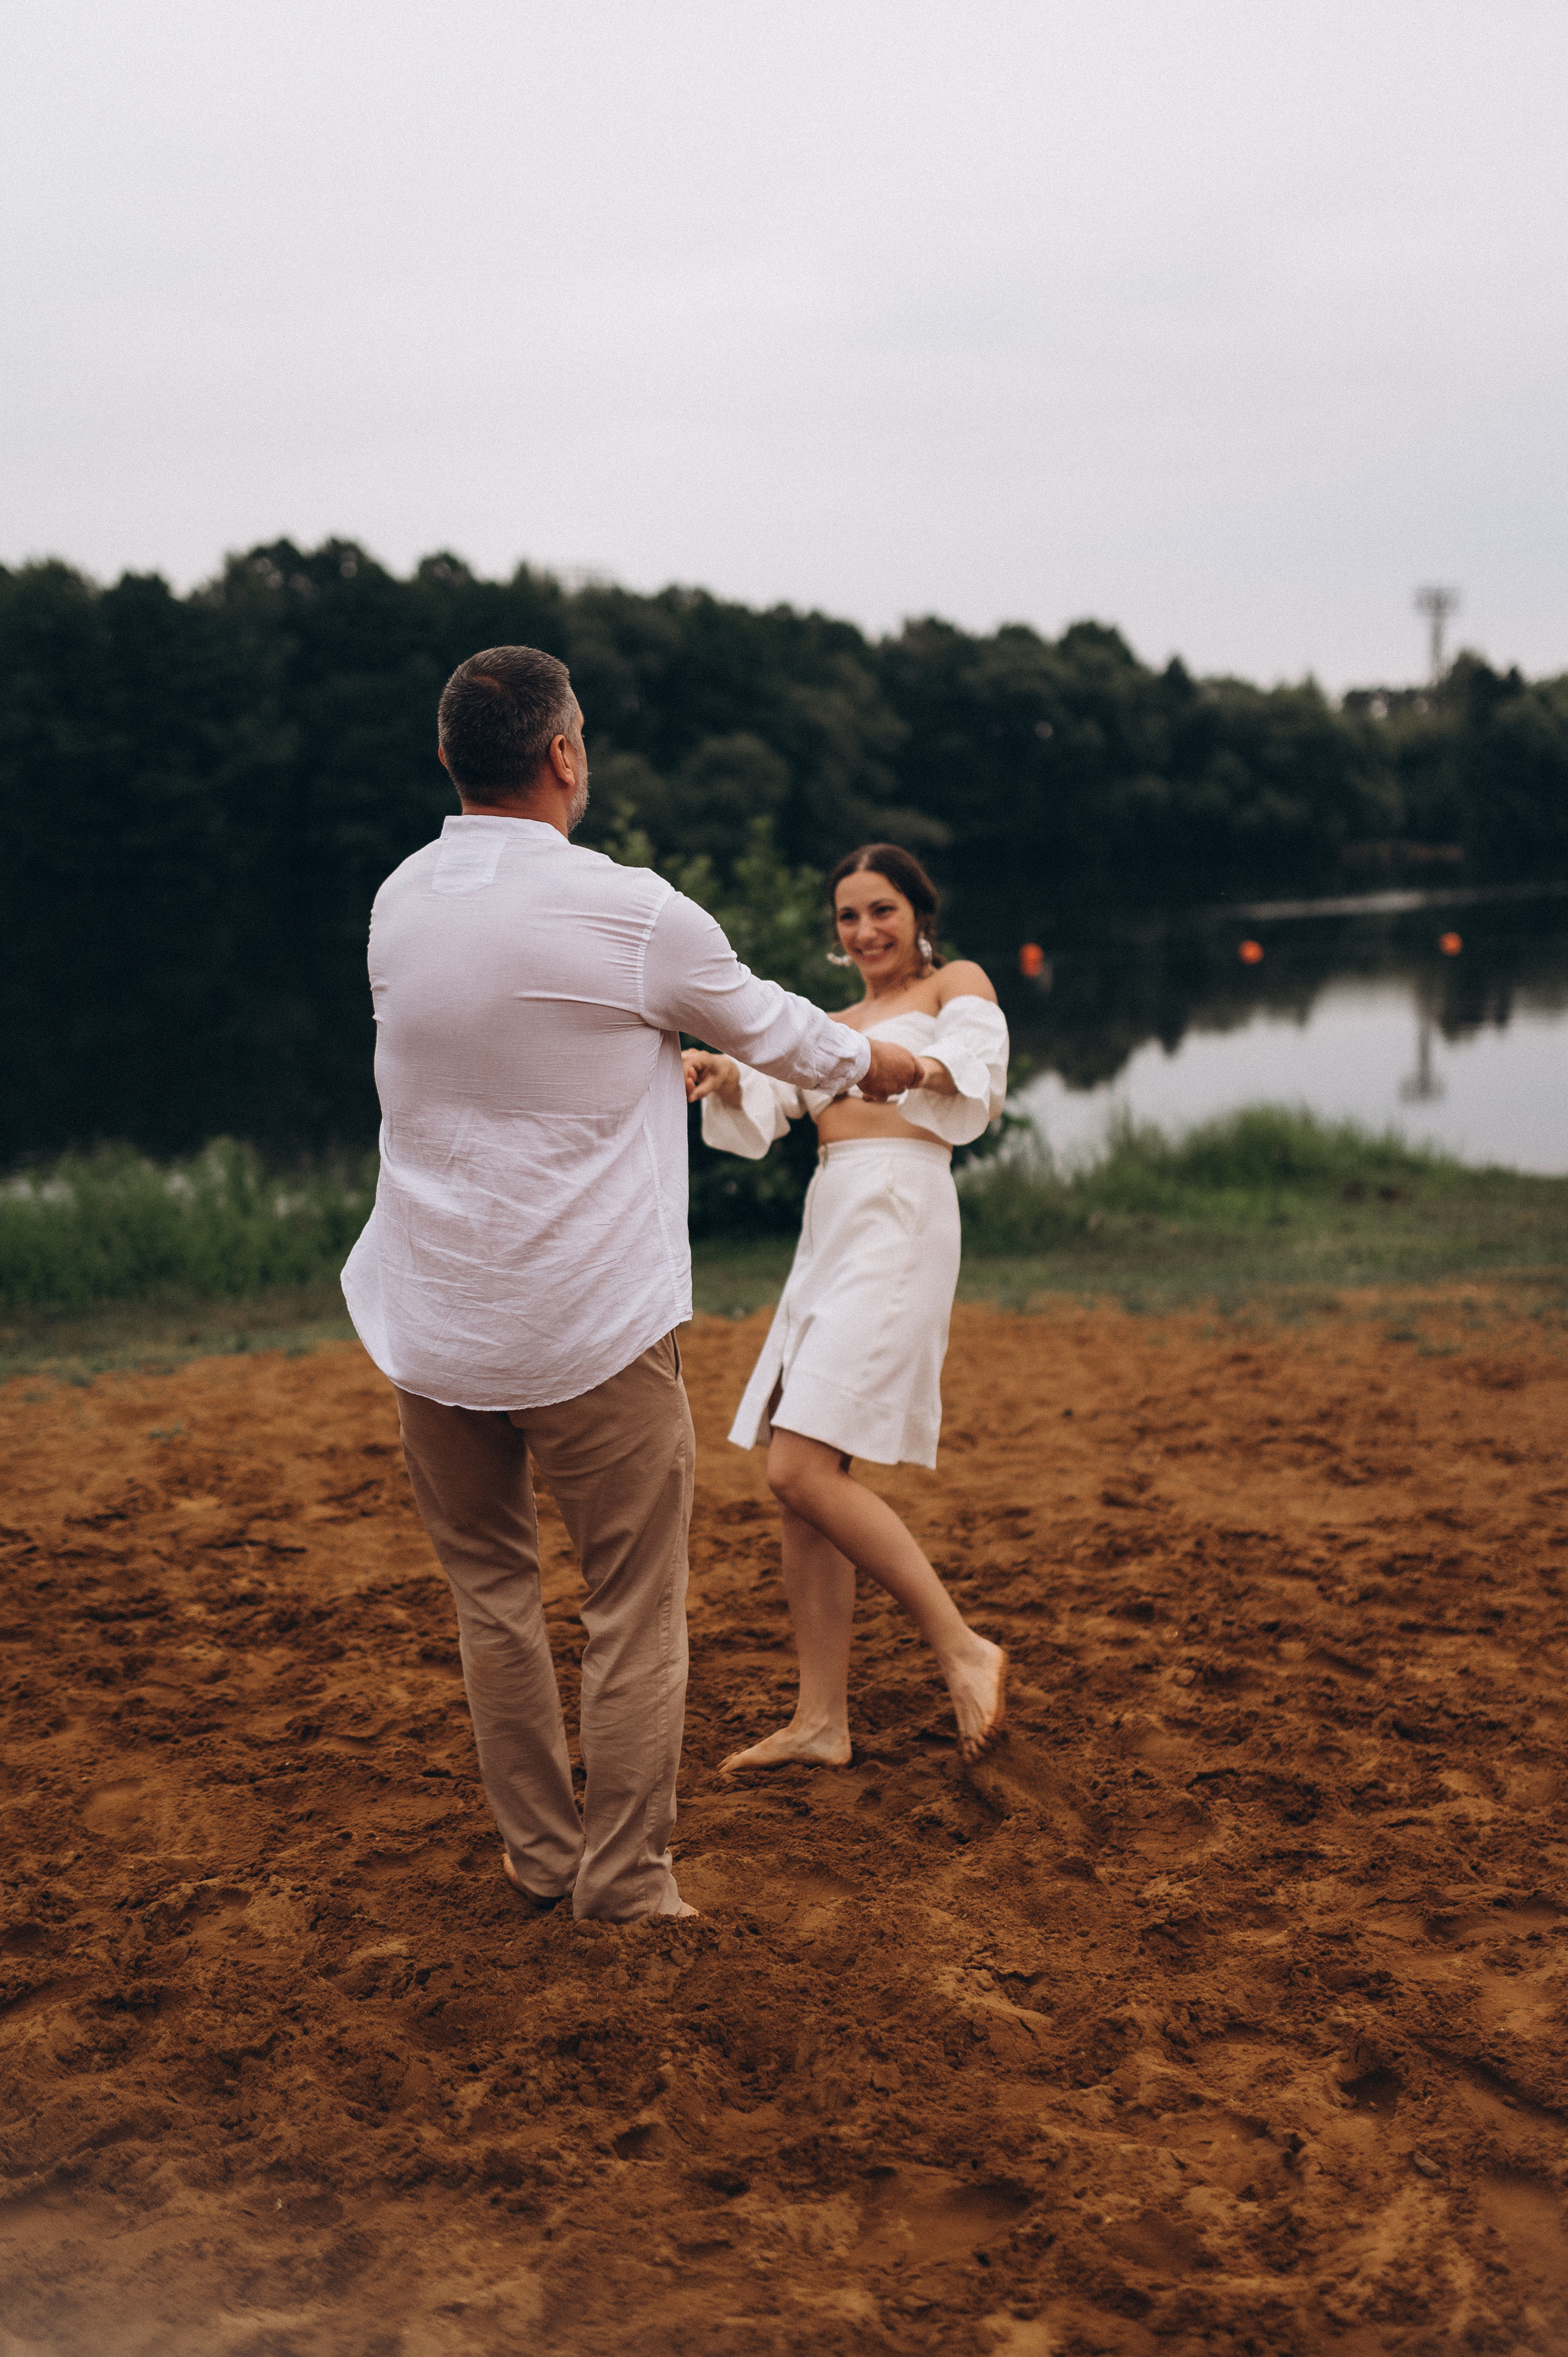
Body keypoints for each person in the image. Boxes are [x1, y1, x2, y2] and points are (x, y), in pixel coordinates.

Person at [340, 649, 922, 1923]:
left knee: (492, 1601)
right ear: (562, 755)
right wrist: (885, 1062)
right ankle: (622, 1880)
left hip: (432, 1325)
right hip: (585, 1328)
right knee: (633, 1611)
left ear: (450, 762)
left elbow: (499, 1058)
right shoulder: (634, 912)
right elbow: (780, 1032)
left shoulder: (396, 902)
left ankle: (541, 1864)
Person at [682, 844, 1009, 1771]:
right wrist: (725, 1075)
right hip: (830, 1226)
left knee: (796, 1470)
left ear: (918, 913)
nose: (865, 931)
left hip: (902, 1217)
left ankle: (963, 1647)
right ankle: (822, 1720)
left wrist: (904, 1065)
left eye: (882, 910)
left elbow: (976, 1067)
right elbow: (774, 1095)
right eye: (848, 917)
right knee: (808, 1482)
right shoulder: (833, 1025)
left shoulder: (955, 985)